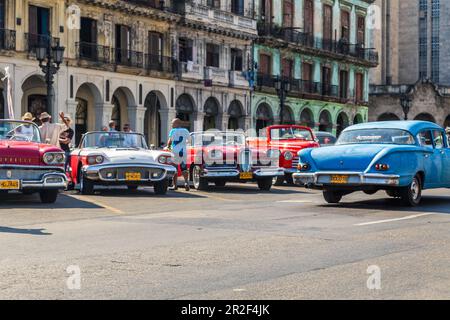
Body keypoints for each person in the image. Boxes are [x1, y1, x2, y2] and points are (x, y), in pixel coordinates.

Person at [166, 118, 190, 191]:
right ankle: (186, 183)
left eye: (173, 123)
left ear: (177, 124)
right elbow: (189, 140)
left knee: (174, 169)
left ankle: (175, 185)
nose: (172, 125)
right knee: (184, 168)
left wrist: (168, 147)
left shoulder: (173, 131)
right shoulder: (185, 131)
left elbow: (170, 141)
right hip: (183, 152)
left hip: (175, 152)